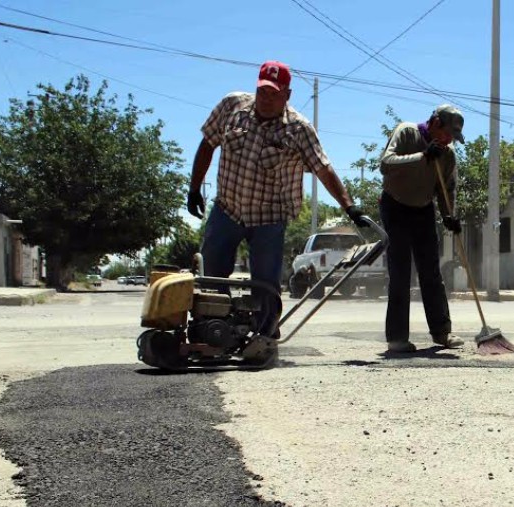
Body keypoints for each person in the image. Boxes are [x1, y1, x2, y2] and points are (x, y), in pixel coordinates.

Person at [187, 60, 364, 338]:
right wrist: (194, 187)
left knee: (265, 285)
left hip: (269, 218)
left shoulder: (298, 129)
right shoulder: (231, 106)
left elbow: (323, 168)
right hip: (227, 209)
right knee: (212, 276)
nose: (267, 100)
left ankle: (264, 337)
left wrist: (349, 207)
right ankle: (211, 332)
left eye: (274, 94)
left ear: (287, 96)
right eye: (263, 92)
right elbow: (208, 143)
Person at [378, 104, 466, 353]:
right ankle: (397, 339)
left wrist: (450, 215)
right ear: (435, 122)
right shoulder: (406, 132)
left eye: (453, 137)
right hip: (394, 206)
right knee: (401, 272)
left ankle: (442, 332)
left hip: (423, 210)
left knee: (431, 273)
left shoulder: (447, 155)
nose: (448, 140)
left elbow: (446, 189)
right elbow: (386, 163)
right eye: (447, 133)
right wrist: (422, 156)